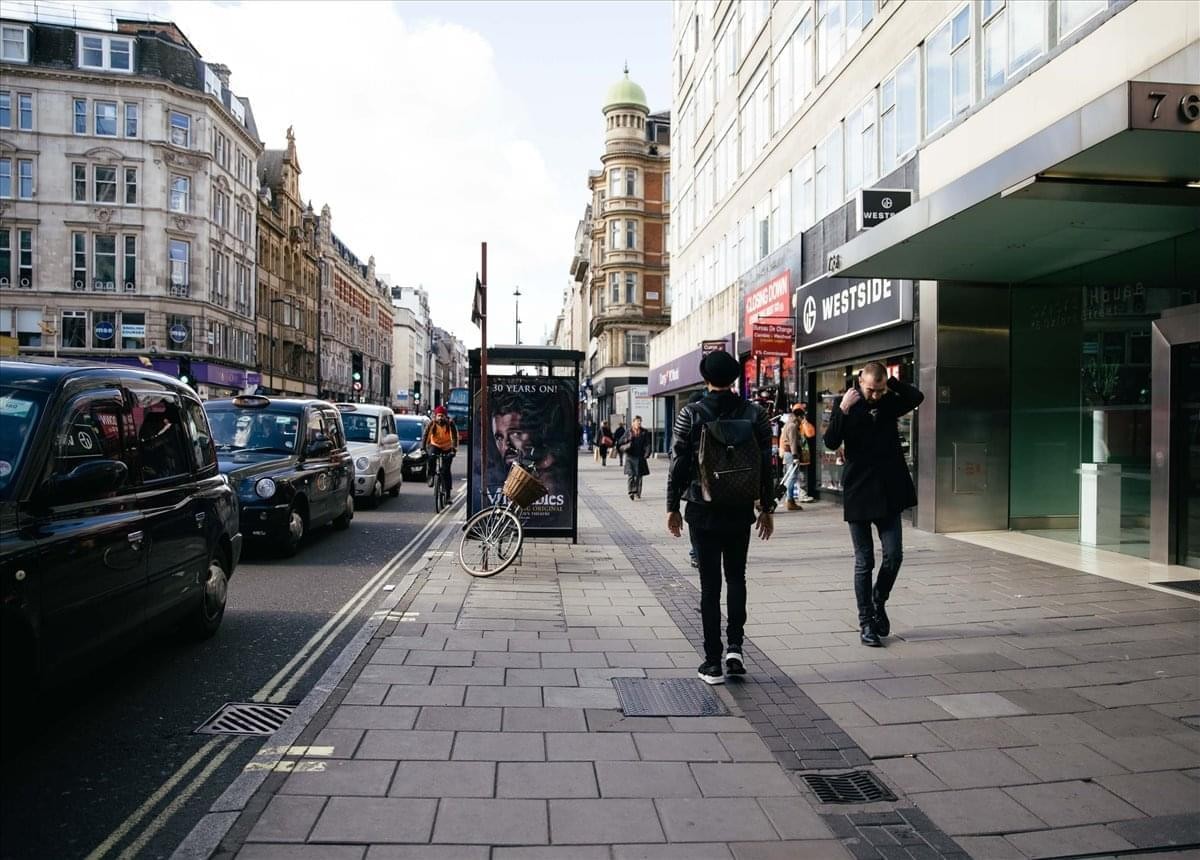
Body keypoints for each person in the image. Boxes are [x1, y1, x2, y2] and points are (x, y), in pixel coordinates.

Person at [667, 350, 774, 685]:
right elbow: (767, 464)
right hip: (740, 509)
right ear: (735, 378)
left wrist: (672, 507)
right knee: (737, 578)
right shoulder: (755, 413)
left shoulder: (691, 413)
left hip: (702, 508)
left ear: (704, 377)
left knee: (710, 586)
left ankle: (712, 662)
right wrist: (766, 508)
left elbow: (679, 462)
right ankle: (736, 649)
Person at [822, 361, 924, 647]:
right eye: (871, 390)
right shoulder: (848, 404)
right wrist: (841, 409)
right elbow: (830, 442)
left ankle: (879, 600)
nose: (876, 395)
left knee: (894, 555)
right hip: (859, 492)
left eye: (880, 389)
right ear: (860, 381)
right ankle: (866, 622)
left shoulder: (890, 400)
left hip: (890, 490)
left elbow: (916, 397)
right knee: (864, 560)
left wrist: (891, 384)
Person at [421, 405, 459, 494]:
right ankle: (431, 475)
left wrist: (453, 450)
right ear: (436, 416)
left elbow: (454, 437)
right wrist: (423, 448)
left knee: (446, 470)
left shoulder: (450, 424)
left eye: (442, 416)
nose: (440, 418)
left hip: (448, 447)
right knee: (431, 457)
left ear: (445, 416)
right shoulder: (432, 423)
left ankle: (448, 493)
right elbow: (426, 435)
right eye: (439, 416)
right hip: (435, 445)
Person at [620, 415, 651, 500]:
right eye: (637, 421)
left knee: (639, 476)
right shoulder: (628, 432)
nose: (639, 423)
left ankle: (637, 492)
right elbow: (620, 441)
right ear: (633, 423)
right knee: (631, 475)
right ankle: (631, 491)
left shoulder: (644, 432)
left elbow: (647, 443)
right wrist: (627, 440)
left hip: (640, 456)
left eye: (640, 421)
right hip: (630, 456)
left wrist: (647, 452)